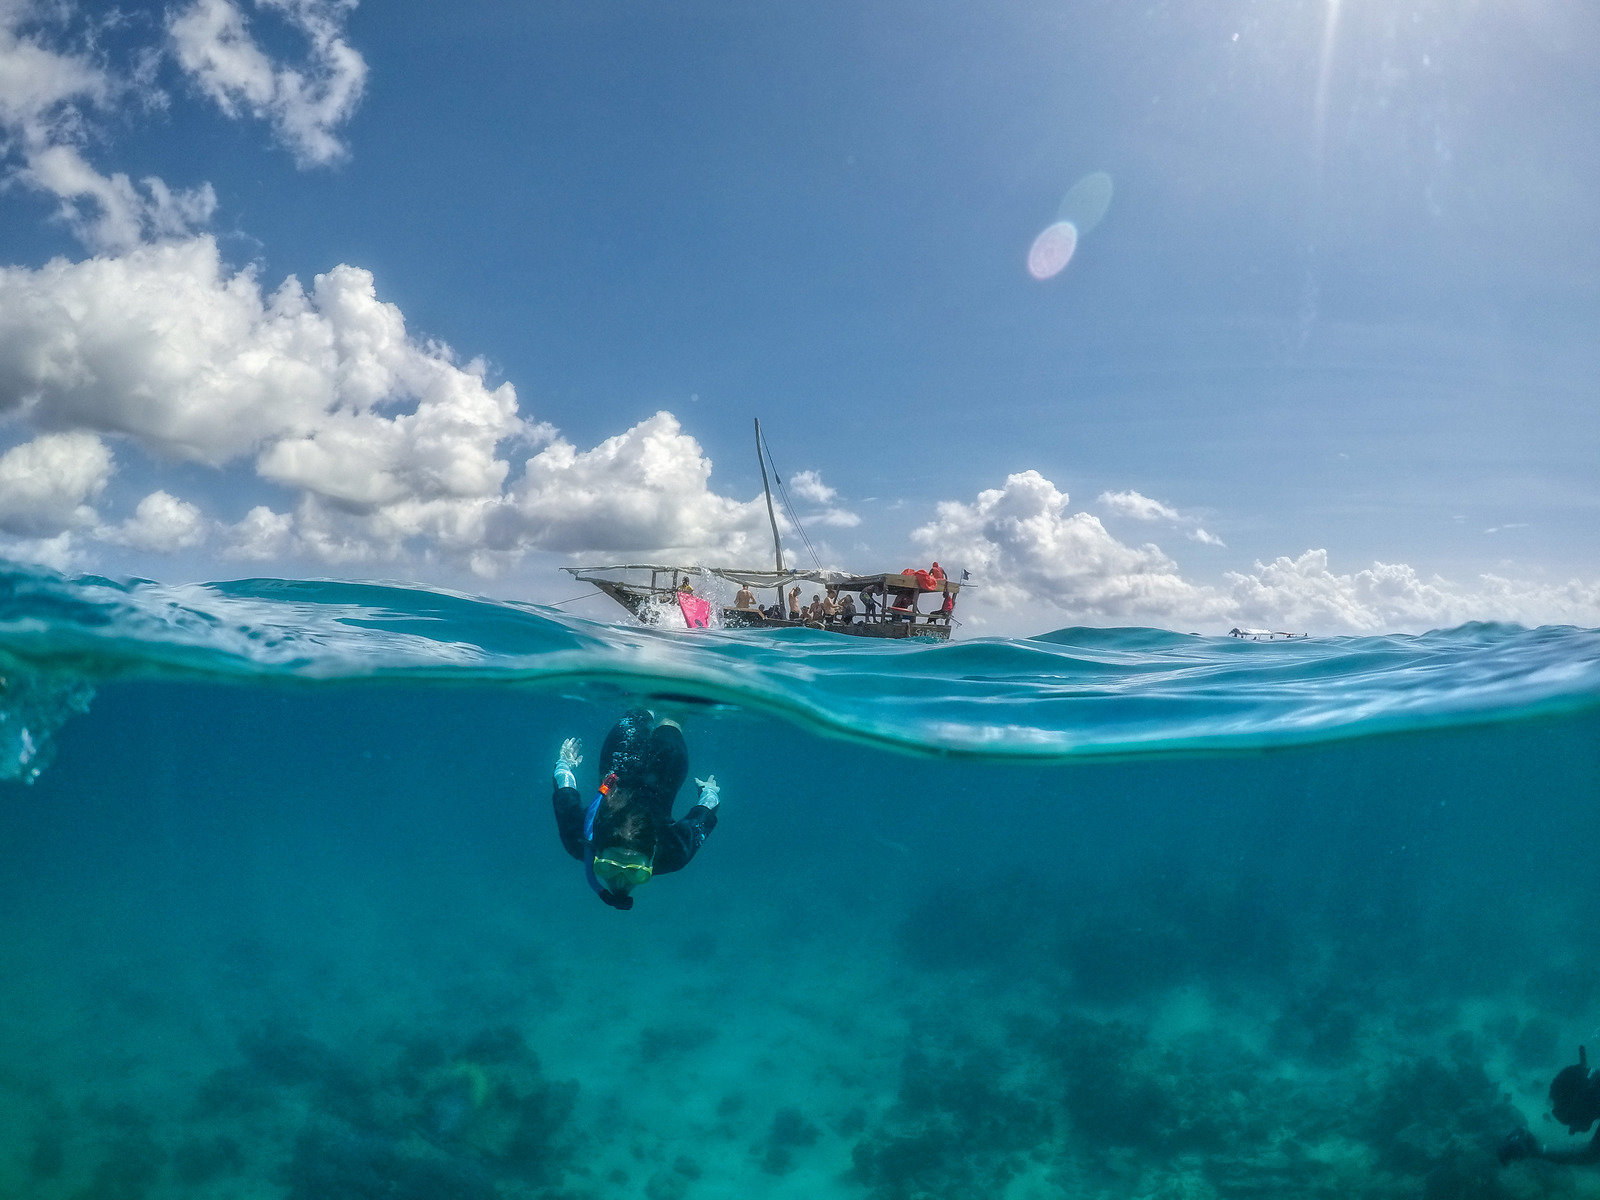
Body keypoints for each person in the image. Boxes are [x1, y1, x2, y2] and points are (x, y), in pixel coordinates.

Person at [550, 709, 721, 911]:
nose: (620, 883)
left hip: (621, 759)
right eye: (636, 873)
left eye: (608, 868)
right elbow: (705, 813)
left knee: (639, 709)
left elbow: (565, 793)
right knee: (673, 718)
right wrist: (709, 791)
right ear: (651, 862)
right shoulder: (673, 853)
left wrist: (564, 763)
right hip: (666, 770)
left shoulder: (578, 840)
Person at [1499, 1046, 1600, 1166]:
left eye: (1571, 1119)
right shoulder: (1591, 1090)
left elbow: (1592, 1154)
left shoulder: (1592, 1092)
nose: (1572, 1131)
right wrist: (1537, 1150)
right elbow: (1592, 1152)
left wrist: (1535, 1150)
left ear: (1581, 1104)